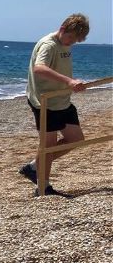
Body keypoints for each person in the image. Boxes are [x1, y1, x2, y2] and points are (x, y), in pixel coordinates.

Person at [19, 13, 90, 196]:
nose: (71, 43)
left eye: (75, 41)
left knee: (76, 139)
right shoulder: (49, 45)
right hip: (45, 102)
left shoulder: (65, 43)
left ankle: (34, 167)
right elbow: (39, 68)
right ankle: (43, 188)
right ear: (62, 29)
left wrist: (70, 84)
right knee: (48, 146)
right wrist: (69, 81)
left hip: (62, 100)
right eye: (70, 38)